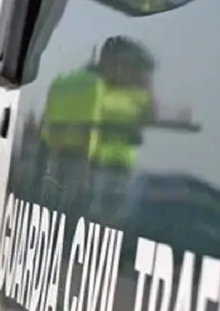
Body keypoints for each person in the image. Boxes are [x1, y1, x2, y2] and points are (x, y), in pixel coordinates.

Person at [38, 36, 155, 223]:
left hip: (55, 155)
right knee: (89, 216)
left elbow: (49, 121)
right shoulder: (95, 84)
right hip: (84, 161)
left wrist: (52, 161)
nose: (120, 71)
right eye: (120, 64)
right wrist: (86, 169)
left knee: (59, 213)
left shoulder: (66, 81)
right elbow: (88, 127)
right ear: (111, 61)